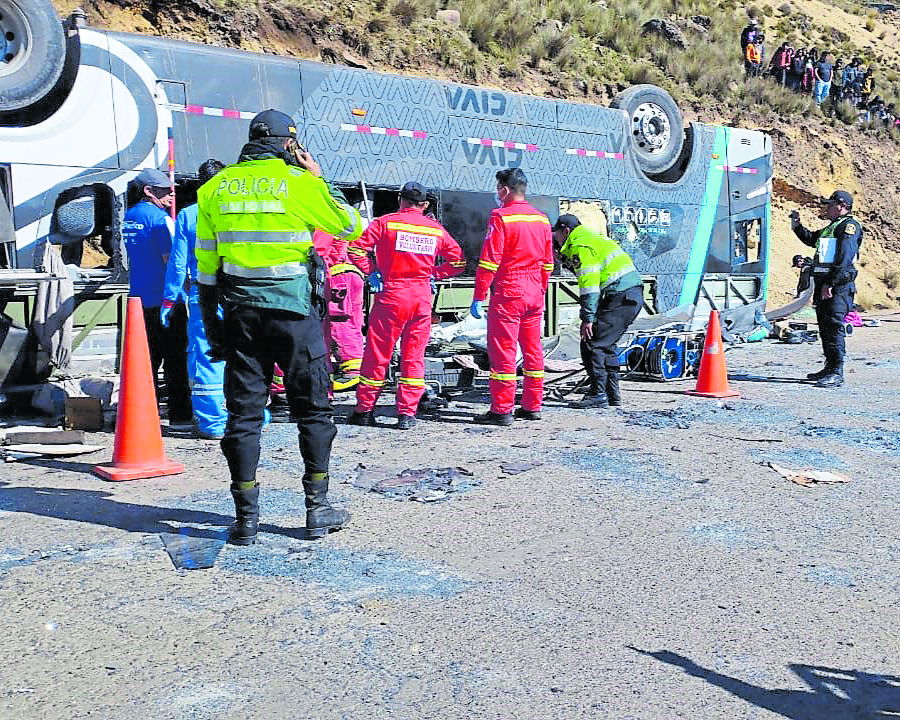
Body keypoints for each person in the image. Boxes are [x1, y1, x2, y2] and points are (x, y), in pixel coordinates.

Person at [195, 109, 363, 545]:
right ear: (289, 144)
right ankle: (317, 509)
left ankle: (245, 520)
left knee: (244, 416)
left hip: (241, 317)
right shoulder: (299, 184)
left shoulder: (214, 189)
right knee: (313, 411)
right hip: (295, 316)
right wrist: (321, 178)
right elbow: (351, 225)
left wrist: (215, 326)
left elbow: (207, 268)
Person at [345, 181, 464, 430]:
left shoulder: (385, 222)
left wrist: (372, 272)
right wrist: (434, 274)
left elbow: (356, 250)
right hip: (420, 298)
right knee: (414, 358)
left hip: (391, 295)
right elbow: (458, 262)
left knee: (378, 356)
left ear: (401, 200)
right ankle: (407, 414)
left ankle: (364, 410)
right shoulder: (435, 229)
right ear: (424, 205)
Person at [469, 168, 553, 426]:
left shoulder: (501, 217)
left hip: (509, 291)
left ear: (505, 190)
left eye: (498, 188)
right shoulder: (542, 219)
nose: (497, 193)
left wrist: (479, 296)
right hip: (534, 292)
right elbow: (548, 264)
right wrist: (540, 288)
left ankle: (502, 410)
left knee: (503, 352)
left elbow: (489, 262)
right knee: (533, 351)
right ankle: (532, 406)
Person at [161, 159, 228, 439]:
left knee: (205, 355)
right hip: (240, 292)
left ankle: (212, 423)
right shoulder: (238, 211)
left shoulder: (188, 215)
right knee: (244, 355)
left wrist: (168, 300)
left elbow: (177, 264)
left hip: (203, 293)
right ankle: (253, 417)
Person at [122, 168, 191, 426]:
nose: (171, 195)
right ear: (149, 191)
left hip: (138, 298)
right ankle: (180, 414)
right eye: (165, 190)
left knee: (146, 360)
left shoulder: (130, 217)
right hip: (166, 300)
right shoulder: (161, 220)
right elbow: (171, 261)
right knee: (176, 360)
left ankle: (142, 416)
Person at [552, 214, 643, 408]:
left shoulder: (581, 246)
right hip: (628, 296)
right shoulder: (592, 239)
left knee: (593, 343)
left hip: (620, 296)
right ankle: (612, 394)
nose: (555, 238)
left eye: (556, 234)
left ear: (565, 231)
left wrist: (588, 318)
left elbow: (589, 286)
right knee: (606, 344)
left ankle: (597, 394)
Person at [790, 190, 862, 388]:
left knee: (833, 326)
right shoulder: (832, 227)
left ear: (841, 205)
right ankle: (829, 367)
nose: (826, 208)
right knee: (824, 326)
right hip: (825, 284)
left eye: (830, 205)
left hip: (837, 287)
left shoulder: (849, 227)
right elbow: (812, 239)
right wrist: (796, 226)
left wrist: (831, 283)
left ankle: (836, 372)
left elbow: (844, 259)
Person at [314, 229, 366, 392]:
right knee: (350, 323)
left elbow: (320, 250)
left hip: (338, 276)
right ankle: (348, 368)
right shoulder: (341, 217)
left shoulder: (322, 221)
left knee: (340, 325)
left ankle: (352, 371)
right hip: (349, 275)